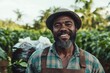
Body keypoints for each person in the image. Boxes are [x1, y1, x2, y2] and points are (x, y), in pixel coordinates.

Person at [26, 8, 105, 73]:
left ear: (76, 29)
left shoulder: (91, 61)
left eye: (68, 24)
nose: (63, 28)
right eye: (57, 25)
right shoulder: (37, 58)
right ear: (52, 30)